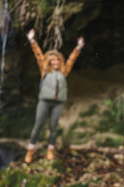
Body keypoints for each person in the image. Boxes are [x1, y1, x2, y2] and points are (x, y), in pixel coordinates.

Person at [24, 29, 85, 163]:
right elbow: (38, 55)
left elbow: (71, 59)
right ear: (50, 62)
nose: (56, 63)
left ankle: (50, 150)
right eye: (53, 61)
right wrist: (32, 40)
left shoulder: (64, 71)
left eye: (57, 61)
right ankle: (30, 150)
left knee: (53, 127)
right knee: (38, 125)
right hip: (44, 101)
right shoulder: (44, 71)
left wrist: (78, 47)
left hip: (58, 102)